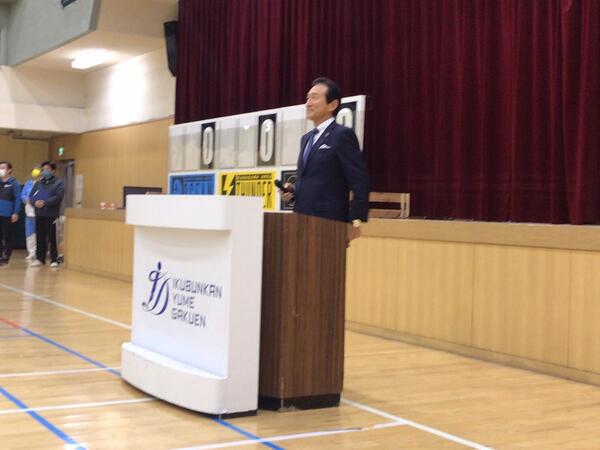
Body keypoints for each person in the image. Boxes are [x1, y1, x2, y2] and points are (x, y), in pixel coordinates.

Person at [282, 77, 370, 243]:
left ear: (332, 105)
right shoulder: (306, 138)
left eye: (314, 97)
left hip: (329, 223)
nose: (308, 103)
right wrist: (293, 191)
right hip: (301, 220)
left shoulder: (342, 135)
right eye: (307, 98)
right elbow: (314, 180)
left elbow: (360, 181)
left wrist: (355, 221)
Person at [30, 161, 64, 268]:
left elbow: (58, 197)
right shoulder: (38, 183)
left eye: (47, 169)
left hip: (51, 214)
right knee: (40, 237)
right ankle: (40, 259)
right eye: (43, 169)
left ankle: (54, 259)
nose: (45, 171)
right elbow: (31, 196)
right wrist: (35, 202)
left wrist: (45, 202)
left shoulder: (58, 183)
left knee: (52, 238)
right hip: (39, 214)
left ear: (53, 171)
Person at [0, 161, 21, 266]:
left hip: (7, 213)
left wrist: (15, 212)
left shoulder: (14, 183)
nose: (1, 170)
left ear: (9, 170)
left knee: (7, 235)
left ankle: (6, 255)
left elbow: (18, 198)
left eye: (3, 168)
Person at [21, 167, 41, 260]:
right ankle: (31, 252)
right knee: (29, 233)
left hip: (40, 212)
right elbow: (23, 195)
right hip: (29, 212)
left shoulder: (44, 185)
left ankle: (39, 252)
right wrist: (27, 199)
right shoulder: (28, 183)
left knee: (39, 233)